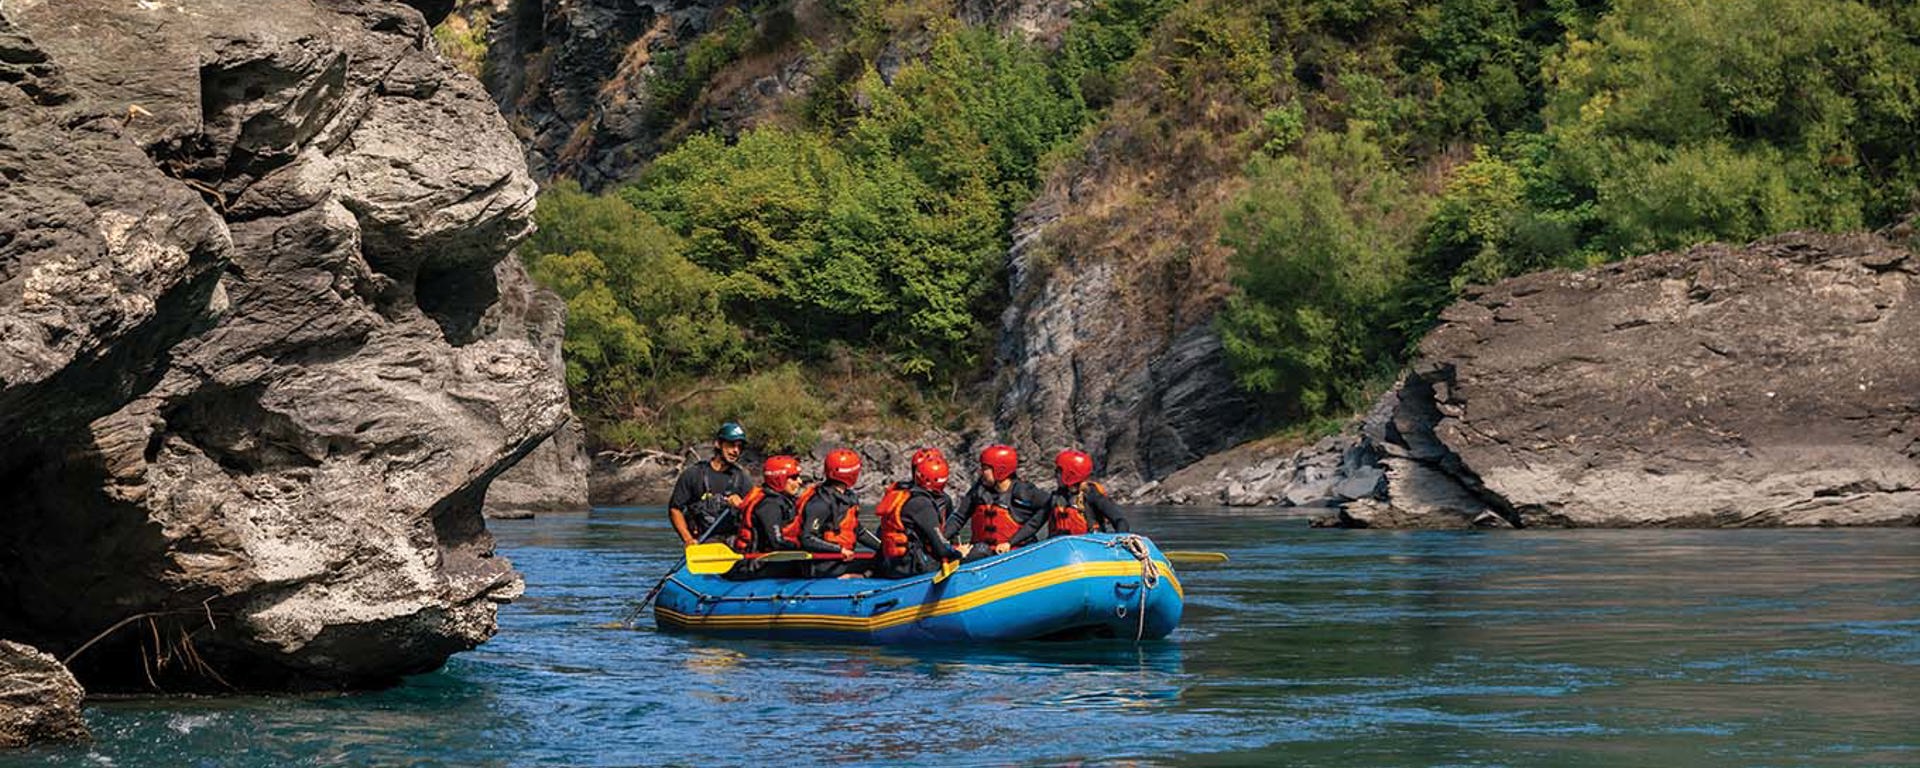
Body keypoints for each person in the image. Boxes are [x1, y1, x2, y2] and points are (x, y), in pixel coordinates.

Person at [781, 448, 883, 577]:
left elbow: (858, 531)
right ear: (852, 474)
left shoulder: (847, 498)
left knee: (884, 559)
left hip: (838, 560)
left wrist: (883, 547)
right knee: (881, 566)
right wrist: (839, 550)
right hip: (823, 565)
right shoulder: (820, 502)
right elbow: (808, 538)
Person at [874, 456, 971, 578]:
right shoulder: (923, 504)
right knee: (976, 554)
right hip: (913, 568)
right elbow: (941, 549)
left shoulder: (905, 496)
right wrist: (959, 553)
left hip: (892, 565)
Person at [946, 444, 1050, 556]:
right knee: (980, 550)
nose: (981, 472)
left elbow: (1048, 505)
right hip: (983, 553)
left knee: (981, 550)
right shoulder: (978, 490)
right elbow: (959, 517)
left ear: (1000, 470)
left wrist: (1011, 542)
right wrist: (941, 541)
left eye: (985, 468)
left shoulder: (1024, 492)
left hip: (1015, 554)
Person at [1014, 449, 1128, 543]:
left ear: (1070, 474)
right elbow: (1034, 525)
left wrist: (1119, 540)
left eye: (1059, 471)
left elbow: (1119, 520)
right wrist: (1010, 543)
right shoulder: (1056, 498)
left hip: (1090, 549)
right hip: (1061, 552)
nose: (1055, 474)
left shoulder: (1092, 495)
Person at [667, 422, 753, 547]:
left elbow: (755, 512)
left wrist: (742, 506)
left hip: (732, 542)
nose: (736, 451)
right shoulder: (694, 474)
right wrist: (688, 540)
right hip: (703, 541)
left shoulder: (742, 478)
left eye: (739, 447)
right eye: (731, 445)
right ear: (718, 444)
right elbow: (675, 509)